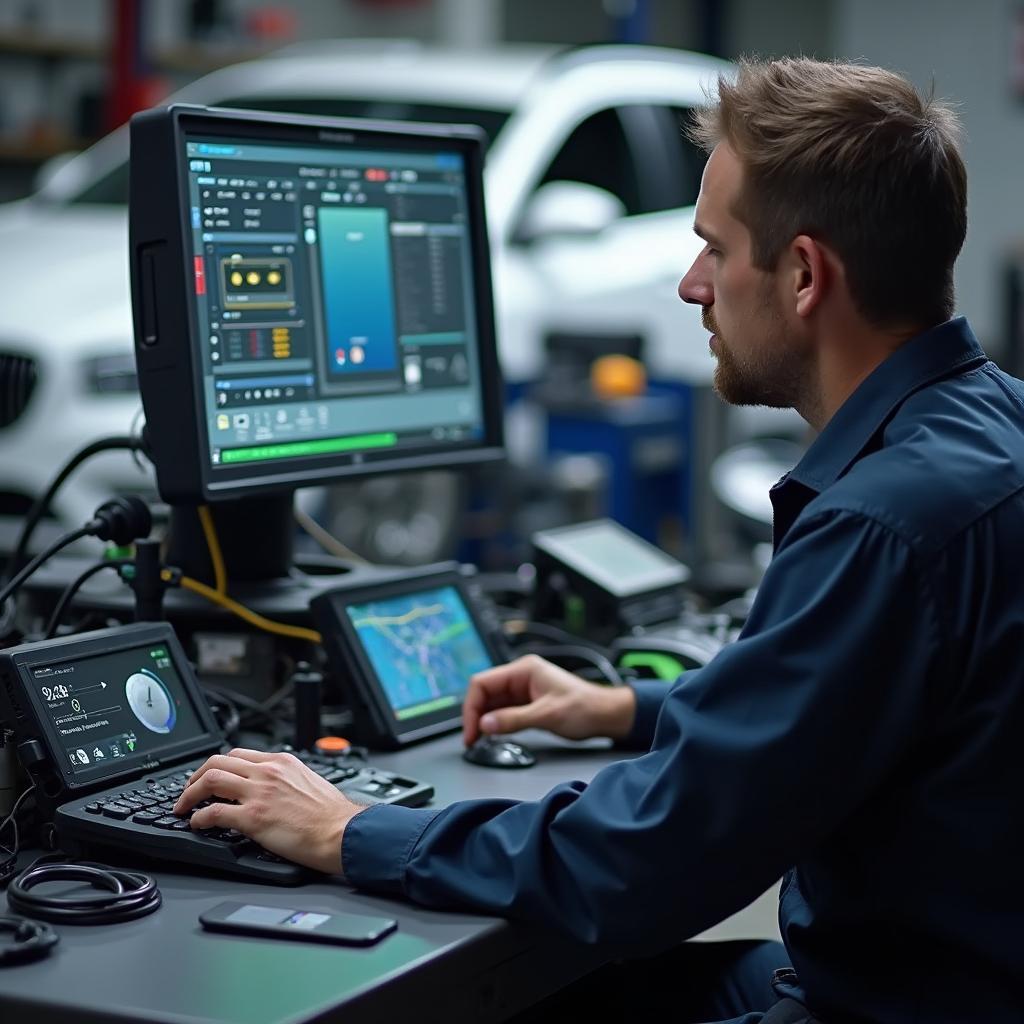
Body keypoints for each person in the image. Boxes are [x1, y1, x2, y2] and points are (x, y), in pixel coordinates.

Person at [173, 57, 1024, 1024]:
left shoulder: (883, 523)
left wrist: (352, 829)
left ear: (801, 274)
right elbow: (837, 698)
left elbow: (639, 868)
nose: (689, 284)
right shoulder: (992, 433)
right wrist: (625, 708)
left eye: (713, 247)